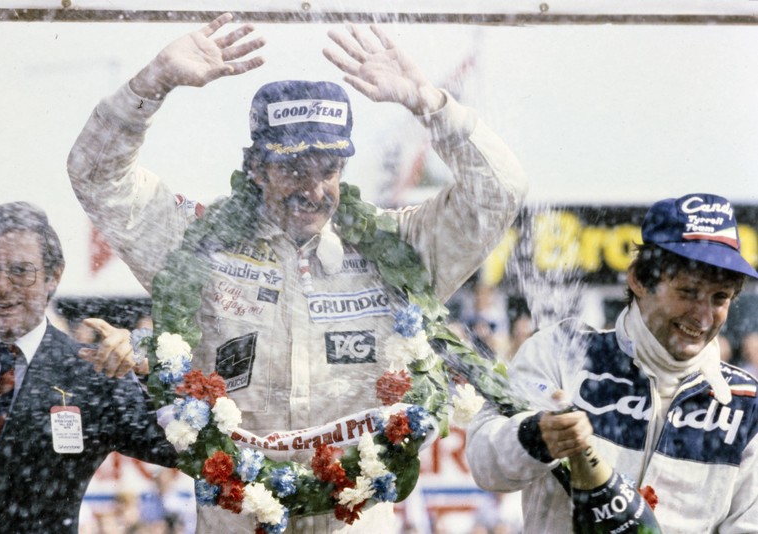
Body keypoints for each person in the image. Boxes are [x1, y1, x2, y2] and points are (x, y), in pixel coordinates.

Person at [68, 13, 526, 532]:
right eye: (292, 168)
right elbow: (95, 175)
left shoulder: (398, 249)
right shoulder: (196, 244)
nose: (312, 188)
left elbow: (500, 190)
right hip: (238, 518)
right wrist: (153, 81)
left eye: (328, 169)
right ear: (256, 168)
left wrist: (428, 100)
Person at [467, 193, 758, 531]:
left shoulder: (746, 404)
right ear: (638, 279)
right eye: (688, 292)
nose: (704, 316)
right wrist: (536, 437)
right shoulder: (563, 352)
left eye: (719, 298)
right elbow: (485, 464)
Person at [0, 201, 179, 533]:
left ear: (54, 276)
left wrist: (149, 365)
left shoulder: (93, 372)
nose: (2, 286)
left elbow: (179, 448)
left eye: (21, 271)